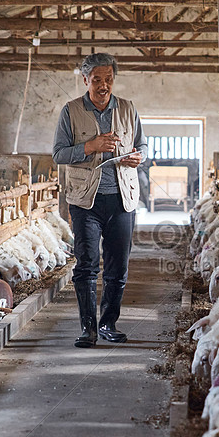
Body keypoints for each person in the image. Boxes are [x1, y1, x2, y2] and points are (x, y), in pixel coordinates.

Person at [52, 53, 147, 348]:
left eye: (108, 79)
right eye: (97, 80)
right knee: (87, 265)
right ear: (85, 80)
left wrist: (138, 156)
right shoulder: (71, 111)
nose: (103, 85)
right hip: (86, 202)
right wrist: (90, 146)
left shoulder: (129, 109)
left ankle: (108, 324)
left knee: (117, 268)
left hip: (122, 200)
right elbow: (58, 154)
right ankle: (87, 329)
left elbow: (142, 144)